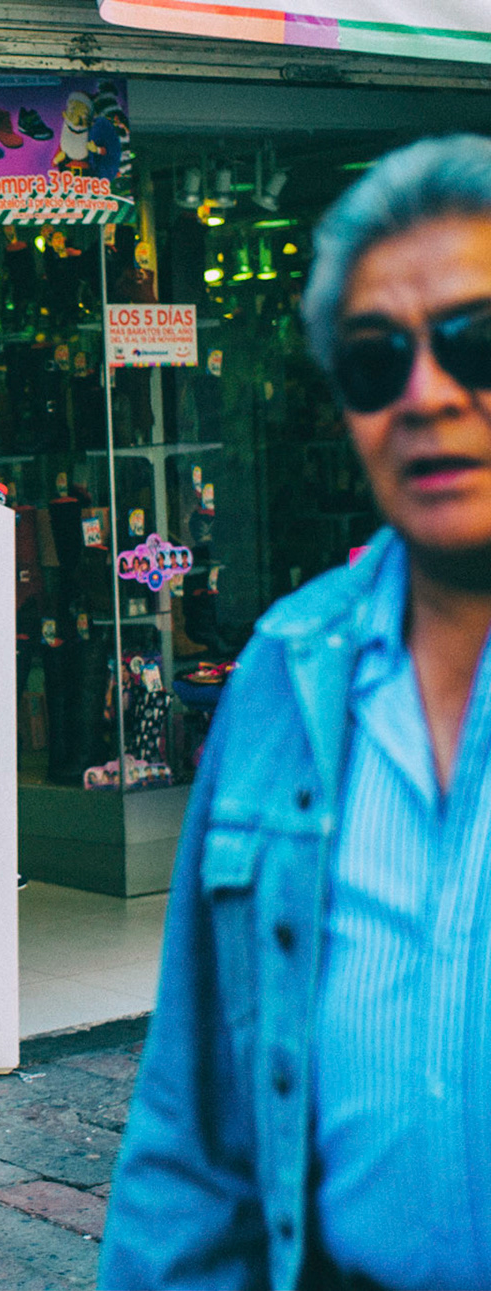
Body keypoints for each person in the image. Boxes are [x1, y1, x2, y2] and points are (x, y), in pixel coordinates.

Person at [103, 134, 491, 1289]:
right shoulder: (286, 665)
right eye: (376, 362)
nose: (425, 395)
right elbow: (191, 1122)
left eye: (475, 342)